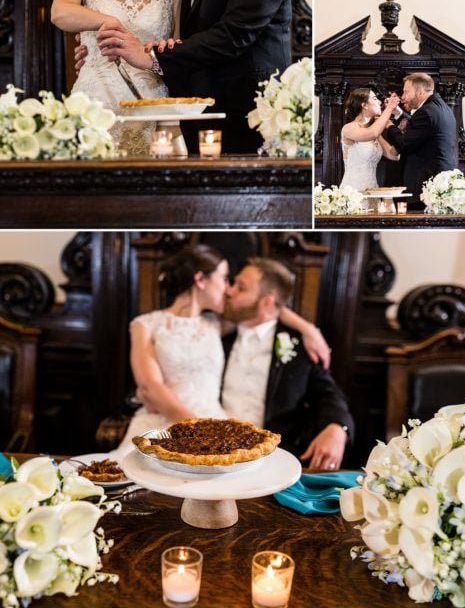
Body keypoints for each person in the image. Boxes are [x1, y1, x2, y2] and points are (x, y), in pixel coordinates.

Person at [113, 244, 332, 457]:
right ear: (200, 280)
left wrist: (309, 329)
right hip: (165, 423)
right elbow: (150, 387)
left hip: (215, 423)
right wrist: (196, 431)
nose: (228, 289)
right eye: (225, 278)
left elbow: (266, 308)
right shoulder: (146, 325)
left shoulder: (217, 323)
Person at [93, 0, 295, 154]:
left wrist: (150, 57)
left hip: (248, 107)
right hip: (195, 104)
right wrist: (97, 44)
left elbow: (234, 35)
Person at [222, 258, 354, 469]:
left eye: (241, 287)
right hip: (215, 452)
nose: (228, 291)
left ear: (266, 302)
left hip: (274, 458)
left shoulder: (302, 345)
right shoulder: (215, 334)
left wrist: (338, 429)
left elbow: (328, 393)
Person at [51, 0, 184, 155]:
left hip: (151, 100)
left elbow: (176, 46)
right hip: (96, 99)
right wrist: (110, 22)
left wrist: (166, 47)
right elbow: (59, 12)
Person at [384, 72, 458, 205]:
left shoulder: (425, 112)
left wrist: (389, 125)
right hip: (440, 181)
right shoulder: (442, 108)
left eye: (406, 92)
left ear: (419, 91)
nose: (403, 97)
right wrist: (399, 114)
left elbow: (404, 145)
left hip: (425, 185)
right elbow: (419, 128)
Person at [340, 88, 401, 191]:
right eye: (375, 98)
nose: (380, 102)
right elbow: (373, 133)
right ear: (364, 105)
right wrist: (389, 108)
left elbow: (394, 156)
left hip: (373, 190)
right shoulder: (349, 128)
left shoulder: (375, 134)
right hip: (354, 190)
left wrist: (400, 132)